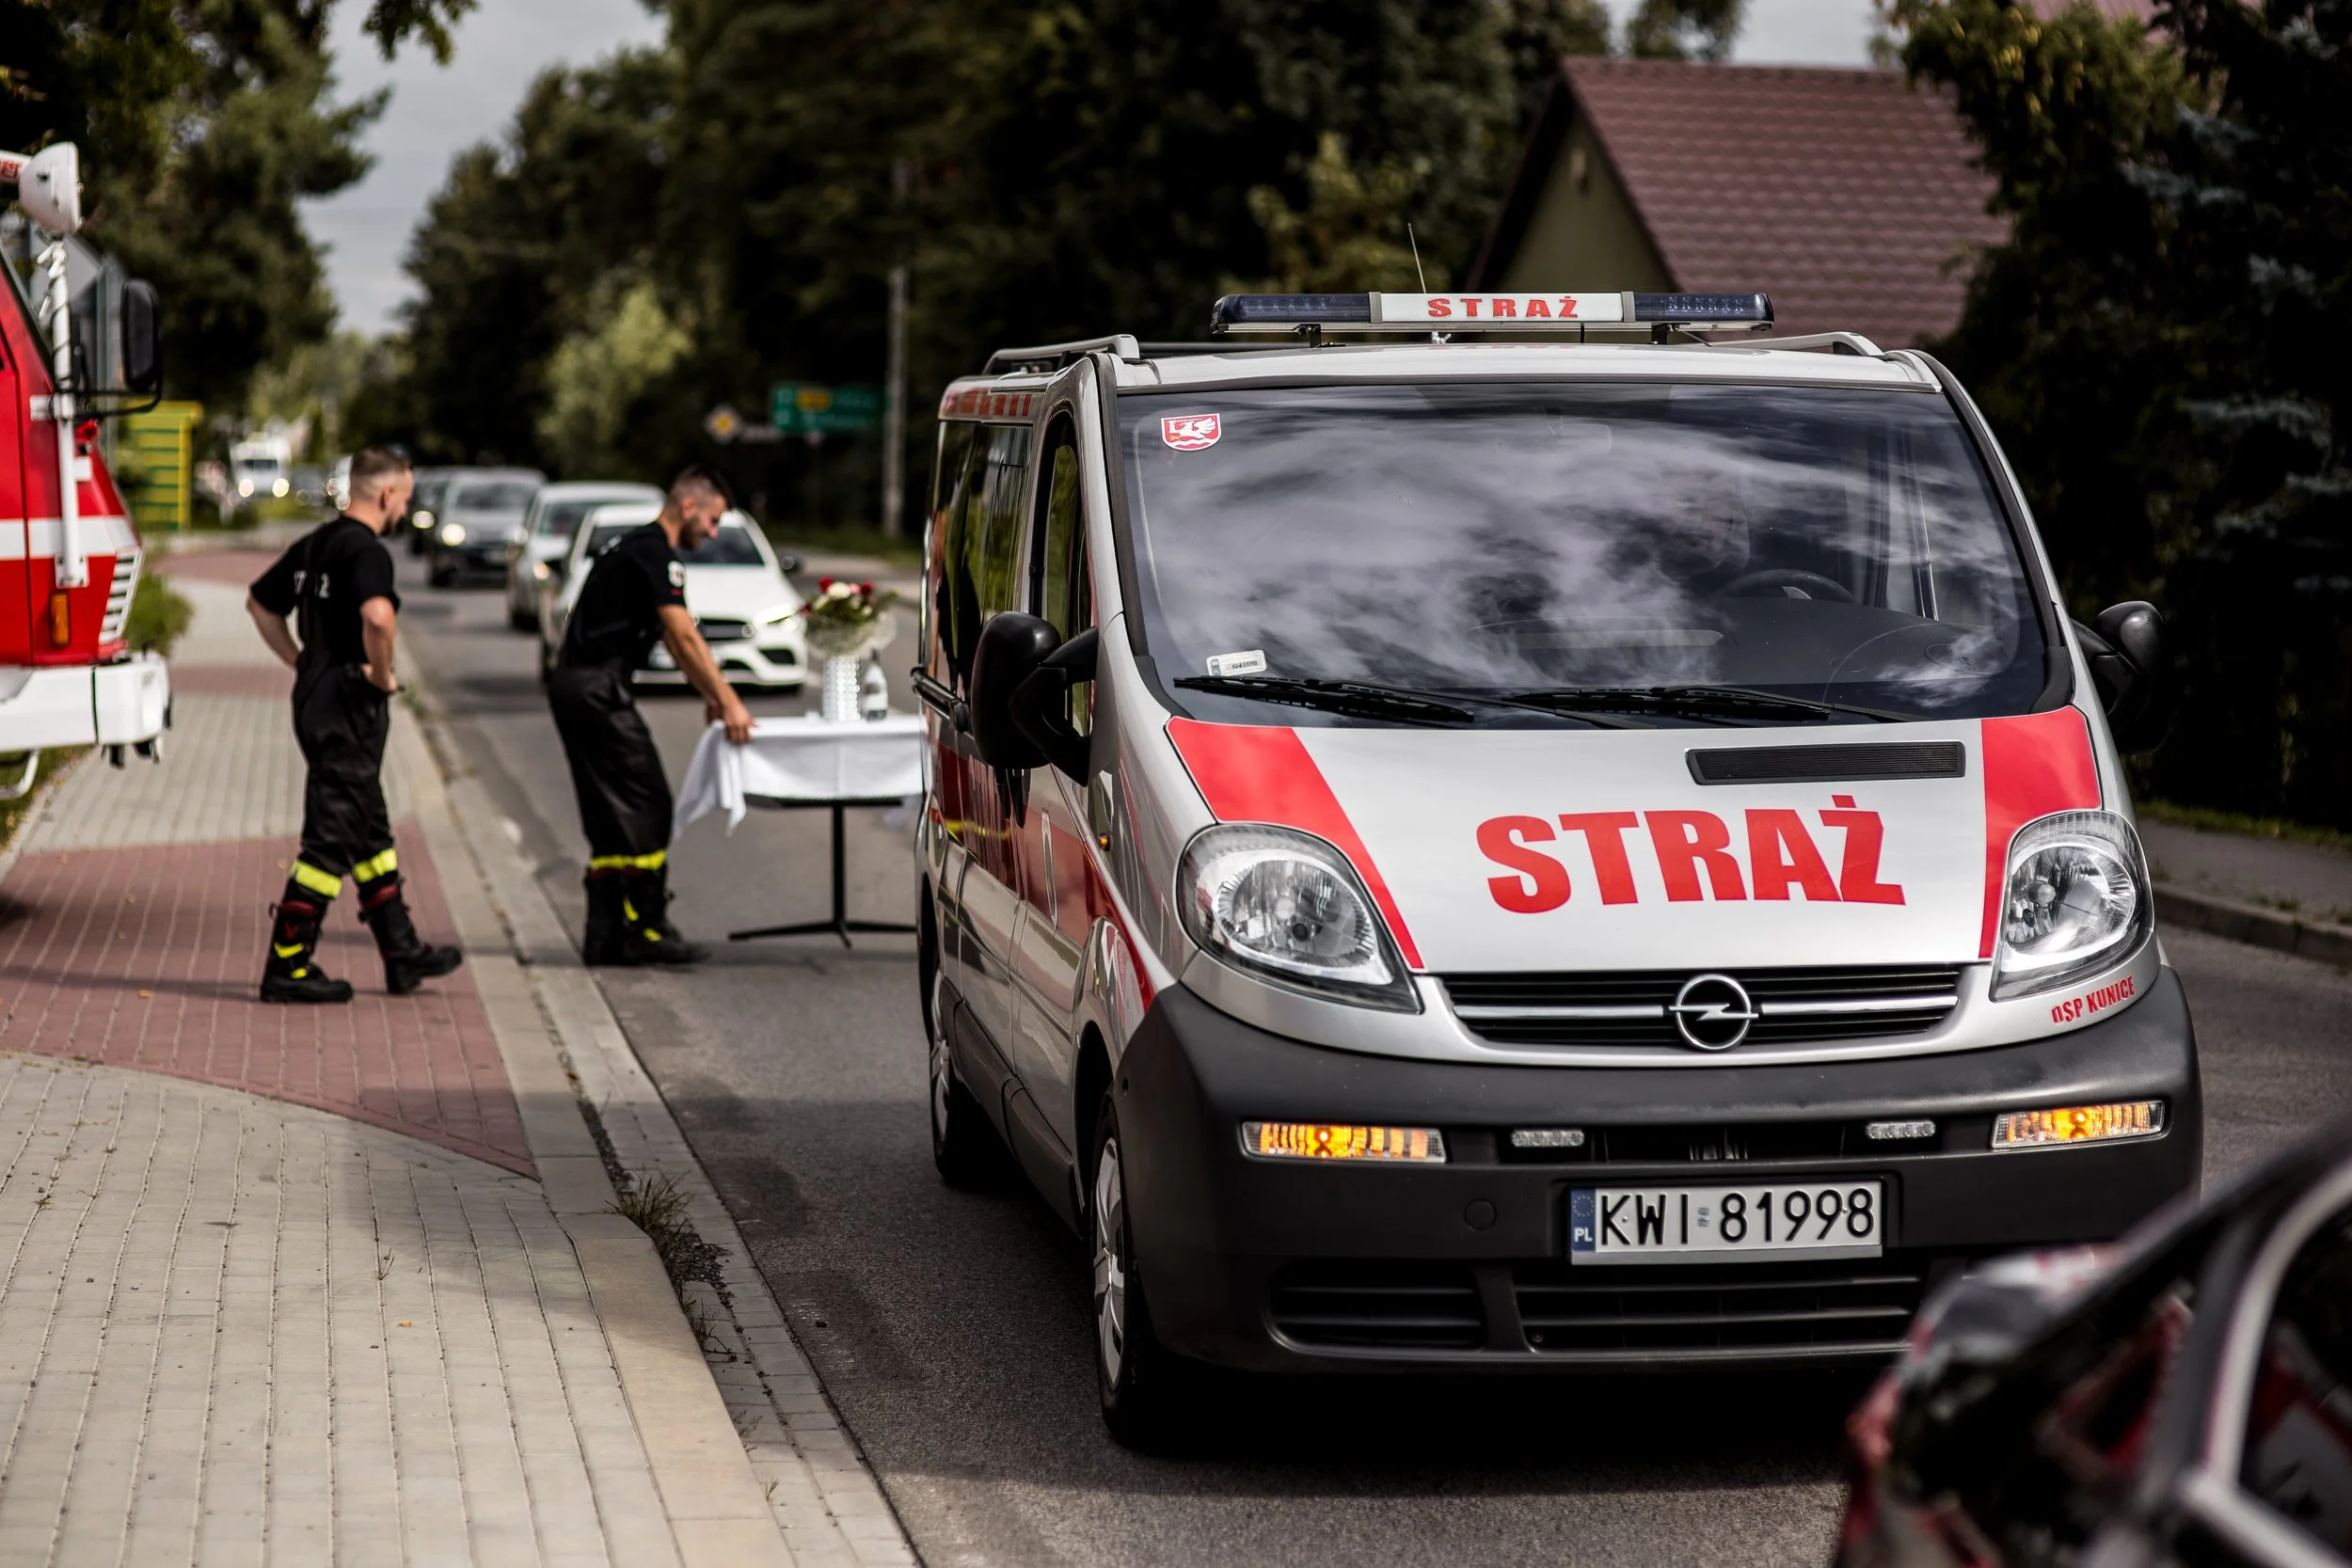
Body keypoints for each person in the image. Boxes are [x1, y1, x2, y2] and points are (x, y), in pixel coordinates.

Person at [247, 446, 465, 1004]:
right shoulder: (367, 552)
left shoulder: (316, 543)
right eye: (405, 499)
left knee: (367, 827)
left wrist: (301, 661)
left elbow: (260, 604)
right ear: (386, 494)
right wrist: (383, 675)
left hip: (316, 693)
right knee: (330, 840)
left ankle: (401, 952)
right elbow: (378, 616)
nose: (405, 510)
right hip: (349, 701)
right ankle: (287, 964)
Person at [547, 465, 754, 964]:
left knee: (610, 814)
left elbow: (675, 645)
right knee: (649, 804)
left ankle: (605, 935)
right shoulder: (656, 553)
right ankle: (646, 927)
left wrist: (707, 692)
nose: (712, 532)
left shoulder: (636, 548)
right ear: (688, 506)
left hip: (579, 685)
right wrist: (729, 700)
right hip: (596, 688)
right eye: (712, 520)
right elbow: (683, 634)